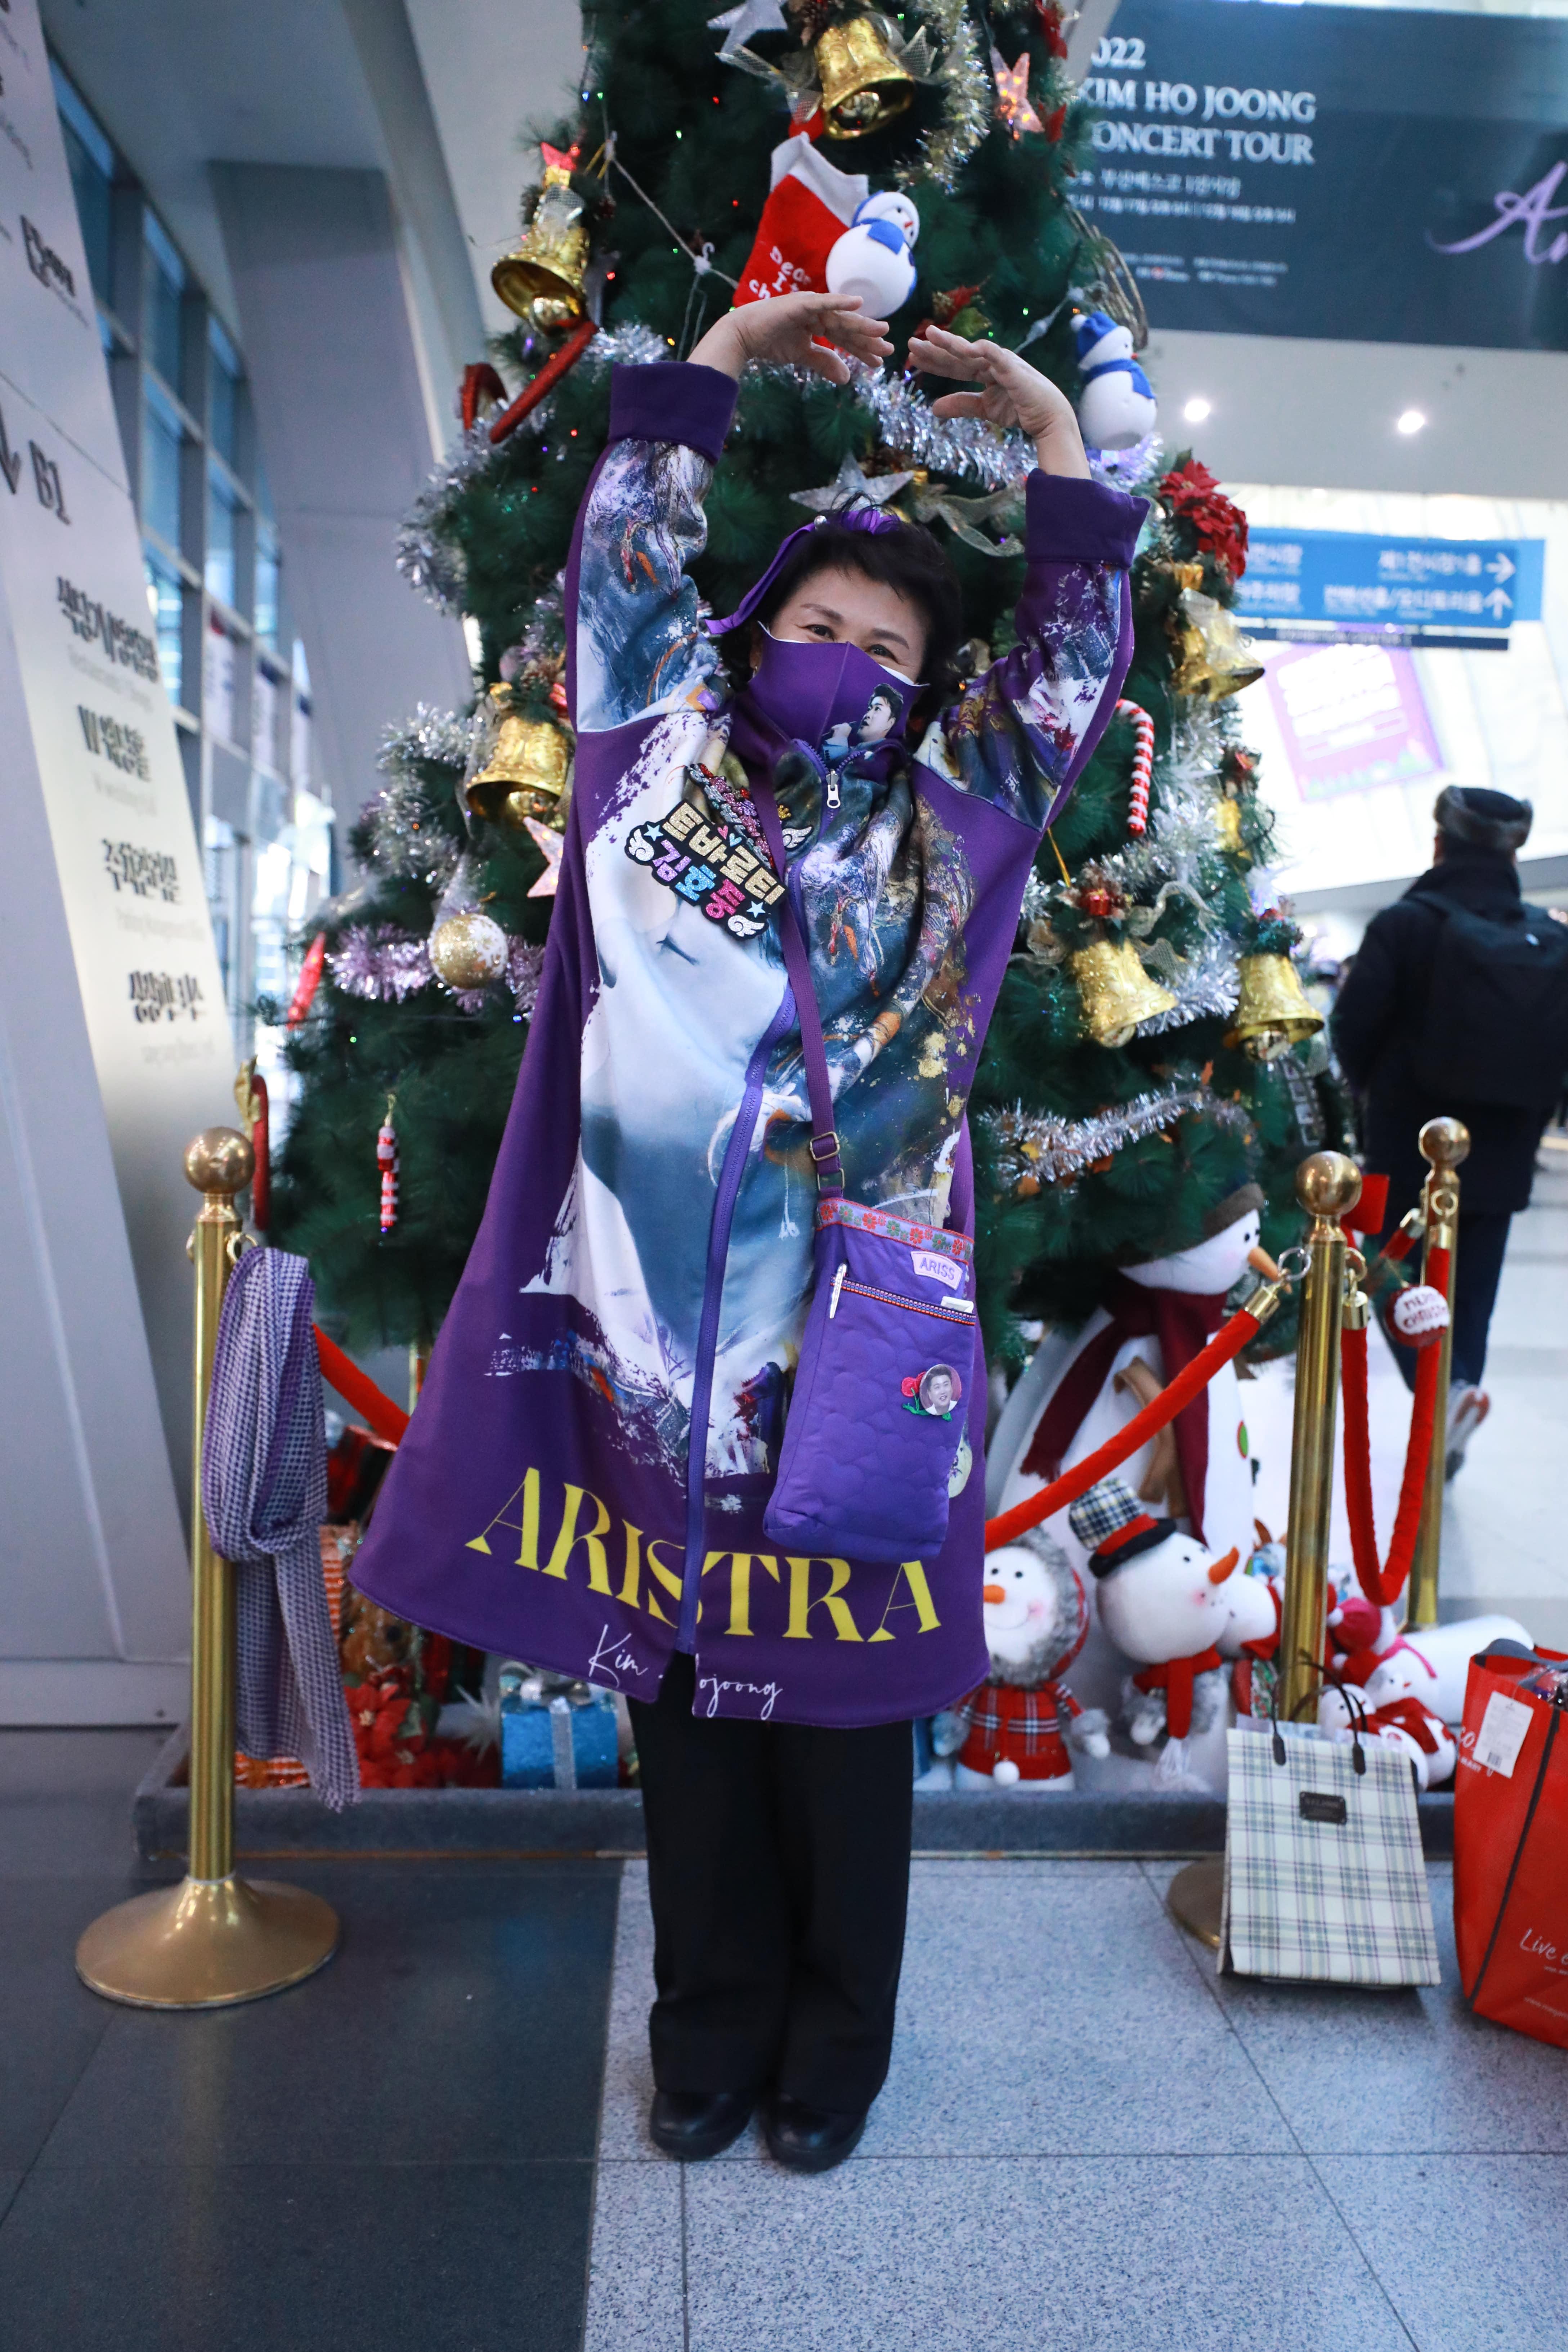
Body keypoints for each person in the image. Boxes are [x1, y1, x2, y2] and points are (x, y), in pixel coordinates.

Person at [350, 289, 1142, 2170]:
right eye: (821, 627)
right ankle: (704, 2029)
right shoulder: (642, 764)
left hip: (857, 1372)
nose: (855, 663)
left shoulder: (965, 831)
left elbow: (1066, 659)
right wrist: (712, 349)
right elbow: (623, 546)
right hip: (645, 1355)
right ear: (750, 636)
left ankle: (835, 2047)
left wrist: (1056, 446)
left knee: (851, 1730)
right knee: (689, 1713)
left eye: (892, 646)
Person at [1332, 785, 1568, 1473]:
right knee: (1474, 1295)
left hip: (1405, 1143)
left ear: (1438, 843)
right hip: (1502, 1157)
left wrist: (1374, 1087)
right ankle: (1457, 1392)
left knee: (1382, 1268)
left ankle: (1442, 1394)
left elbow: (1352, 1030)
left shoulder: (1405, 925)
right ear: (1513, 851)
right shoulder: (1549, 936)